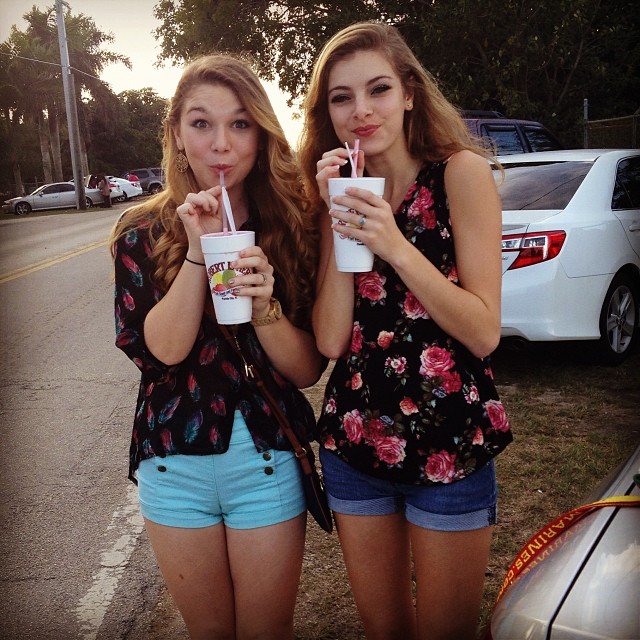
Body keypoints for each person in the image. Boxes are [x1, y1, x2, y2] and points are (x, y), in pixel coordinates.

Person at [298, 22, 513, 640]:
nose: (361, 111)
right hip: (356, 444)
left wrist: (393, 243)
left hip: (451, 441)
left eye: (379, 89)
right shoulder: (340, 193)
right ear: (328, 113)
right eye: (342, 97)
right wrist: (335, 216)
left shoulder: (460, 174)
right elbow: (331, 340)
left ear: (410, 94)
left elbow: (483, 332)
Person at [108, 54, 324, 640]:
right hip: (173, 463)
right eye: (201, 123)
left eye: (240, 124)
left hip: (265, 460)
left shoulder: (292, 227)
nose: (221, 144)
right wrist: (199, 253)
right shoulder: (140, 234)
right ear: (177, 134)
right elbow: (163, 352)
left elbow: (306, 370)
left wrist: (265, 307)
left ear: (261, 134)